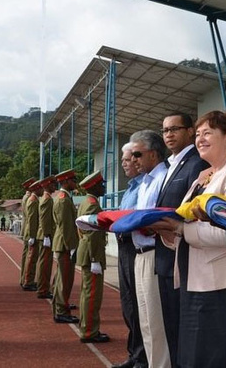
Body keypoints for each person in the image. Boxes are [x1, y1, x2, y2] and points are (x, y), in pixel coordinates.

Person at [153, 110, 226, 368]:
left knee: (219, 357)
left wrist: (180, 229)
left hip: (222, 286)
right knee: (193, 358)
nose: (200, 139)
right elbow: (185, 225)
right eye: (198, 134)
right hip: (193, 282)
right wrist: (166, 231)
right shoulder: (202, 179)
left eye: (208, 133)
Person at [154, 112, 209, 365]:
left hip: (180, 256)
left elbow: (191, 212)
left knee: (182, 330)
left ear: (190, 131)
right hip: (164, 255)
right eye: (165, 130)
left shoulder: (196, 164)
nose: (169, 134)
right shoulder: (171, 164)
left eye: (175, 129)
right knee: (171, 327)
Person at [130, 130, 171, 368]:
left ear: (153, 154)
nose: (133, 159)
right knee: (145, 321)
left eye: (137, 154)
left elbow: (159, 217)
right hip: (140, 254)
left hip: (155, 252)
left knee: (156, 321)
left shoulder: (162, 178)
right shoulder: (145, 182)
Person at [112, 144, 148, 368]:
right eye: (124, 159)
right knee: (128, 305)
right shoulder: (130, 187)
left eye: (129, 159)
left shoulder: (144, 186)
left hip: (136, 247)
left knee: (139, 306)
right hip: (124, 246)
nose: (125, 163)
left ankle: (142, 358)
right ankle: (134, 354)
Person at [76, 170, 110, 344]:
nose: (104, 187)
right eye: (101, 185)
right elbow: (92, 234)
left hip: (87, 253)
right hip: (92, 255)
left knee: (87, 293)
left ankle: (86, 327)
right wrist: (96, 259)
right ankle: (89, 331)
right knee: (92, 295)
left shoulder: (87, 202)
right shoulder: (92, 204)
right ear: (94, 187)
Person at [52, 169, 80, 324]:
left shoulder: (65, 198)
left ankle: (61, 306)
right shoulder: (63, 200)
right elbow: (65, 226)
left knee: (62, 278)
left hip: (64, 243)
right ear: (66, 181)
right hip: (64, 244)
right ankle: (61, 310)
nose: (75, 183)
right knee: (64, 279)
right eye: (73, 180)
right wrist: (72, 246)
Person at [36, 175, 58, 300]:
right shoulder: (46, 199)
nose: (55, 186)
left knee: (46, 263)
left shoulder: (47, 198)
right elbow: (44, 219)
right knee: (45, 264)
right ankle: (43, 289)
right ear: (47, 185)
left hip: (47, 234)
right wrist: (46, 235)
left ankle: (43, 287)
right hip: (46, 235)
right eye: (53, 184)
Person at [21, 180, 42, 291]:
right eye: (41, 188)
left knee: (30, 257)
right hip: (31, 232)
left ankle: (27, 279)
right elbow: (32, 220)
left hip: (30, 231)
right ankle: (27, 281)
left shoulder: (33, 199)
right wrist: (33, 236)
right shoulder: (33, 200)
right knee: (31, 258)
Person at [19, 177, 36, 286]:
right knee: (29, 257)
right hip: (28, 230)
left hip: (26, 229)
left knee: (27, 256)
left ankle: (24, 279)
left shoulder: (26, 197)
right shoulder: (29, 198)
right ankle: (26, 280)